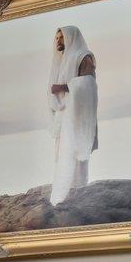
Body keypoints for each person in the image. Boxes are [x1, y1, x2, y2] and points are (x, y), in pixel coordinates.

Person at [48, 25, 98, 204]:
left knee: (77, 152)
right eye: (57, 38)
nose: (58, 42)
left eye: (62, 38)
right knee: (64, 154)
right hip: (65, 115)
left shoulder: (83, 56)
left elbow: (88, 85)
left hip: (78, 115)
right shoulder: (62, 60)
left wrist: (62, 87)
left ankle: (79, 190)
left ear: (71, 38)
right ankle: (65, 193)